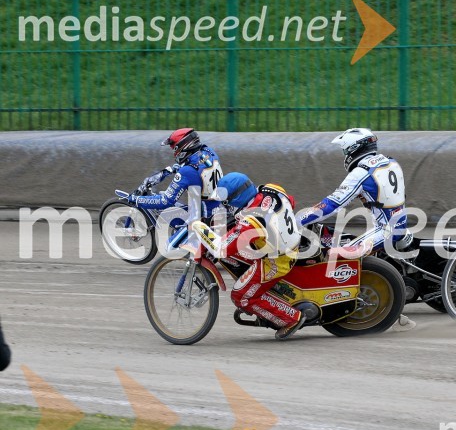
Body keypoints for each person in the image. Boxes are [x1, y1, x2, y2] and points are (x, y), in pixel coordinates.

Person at [191, 172, 307, 340]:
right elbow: (291, 200)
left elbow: (221, 250)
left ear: (237, 198)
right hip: (291, 239)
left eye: (227, 201)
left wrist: (199, 227)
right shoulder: (272, 189)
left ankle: (290, 318)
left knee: (240, 296)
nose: (226, 205)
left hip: (277, 261)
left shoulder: (251, 220)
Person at [297, 128, 412, 255]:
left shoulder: (361, 173)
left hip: (385, 231)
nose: (345, 155)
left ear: (354, 149)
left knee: (335, 256)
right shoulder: (391, 162)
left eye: (345, 151)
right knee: (337, 239)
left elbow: (332, 204)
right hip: (400, 226)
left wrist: (298, 220)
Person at [129, 128, 224, 214]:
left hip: (202, 218)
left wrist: (136, 199)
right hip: (218, 207)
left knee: (164, 210)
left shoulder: (186, 171)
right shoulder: (209, 152)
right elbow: (198, 168)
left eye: (174, 149)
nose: (174, 153)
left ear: (182, 147)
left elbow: (165, 201)